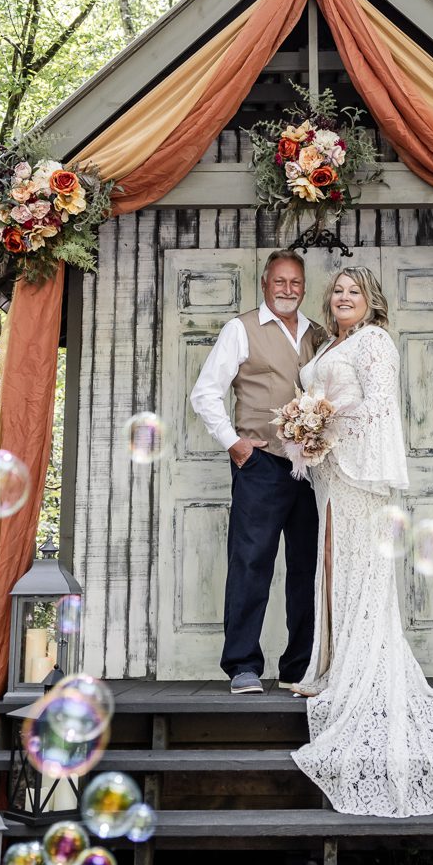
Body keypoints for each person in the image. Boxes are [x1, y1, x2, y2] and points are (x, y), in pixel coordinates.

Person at [289, 265, 433, 815]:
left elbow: (380, 405)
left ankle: (358, 671)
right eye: (337, 291)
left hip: (360, 473)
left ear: (371, 300)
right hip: (332, 472)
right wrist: (308, 430)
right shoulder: (329, 345)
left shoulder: (375, 341)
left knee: (359, 569)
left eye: (354, 291)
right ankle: (331, 667)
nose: (343, 297)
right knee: (332, 568)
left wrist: (323, 420)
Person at [190, 250, 328, 693]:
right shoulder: (241, 329)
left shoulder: (318, 333)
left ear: (303, 287)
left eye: (295, 282)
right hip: (261, 465)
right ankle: (243, 665)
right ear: (265, 282)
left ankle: (299, 666)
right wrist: (235, 444)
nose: (288, 289)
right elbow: (205, 393)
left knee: (308, 567)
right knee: (251, 562)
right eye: (279, 281)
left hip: (313, 468)